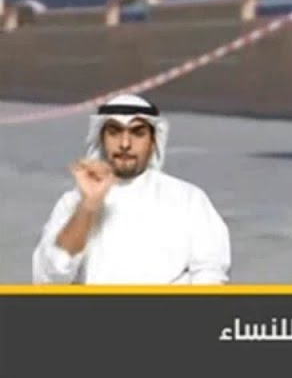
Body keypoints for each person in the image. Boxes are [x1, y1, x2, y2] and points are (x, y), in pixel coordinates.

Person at [32, 93, 231, 284]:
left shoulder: (188, 199)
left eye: (137, 133)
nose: (125, 144)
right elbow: (50, 280)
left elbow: (211, 272)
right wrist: (88, 207)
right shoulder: (73, 203)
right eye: (114, 132)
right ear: (102, 139)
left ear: (153, 141)